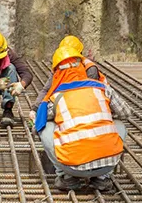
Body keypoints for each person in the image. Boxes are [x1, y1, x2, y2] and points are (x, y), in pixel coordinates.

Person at [33, 45, 129, 192]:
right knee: (119, 125)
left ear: (57, 73)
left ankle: (67, 178)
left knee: (44, 127)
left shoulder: (57, 97)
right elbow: (126, 113)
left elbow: (38, 124)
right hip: (107, 164)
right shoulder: (102, 88)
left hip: (73, 168)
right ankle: (103, 179)